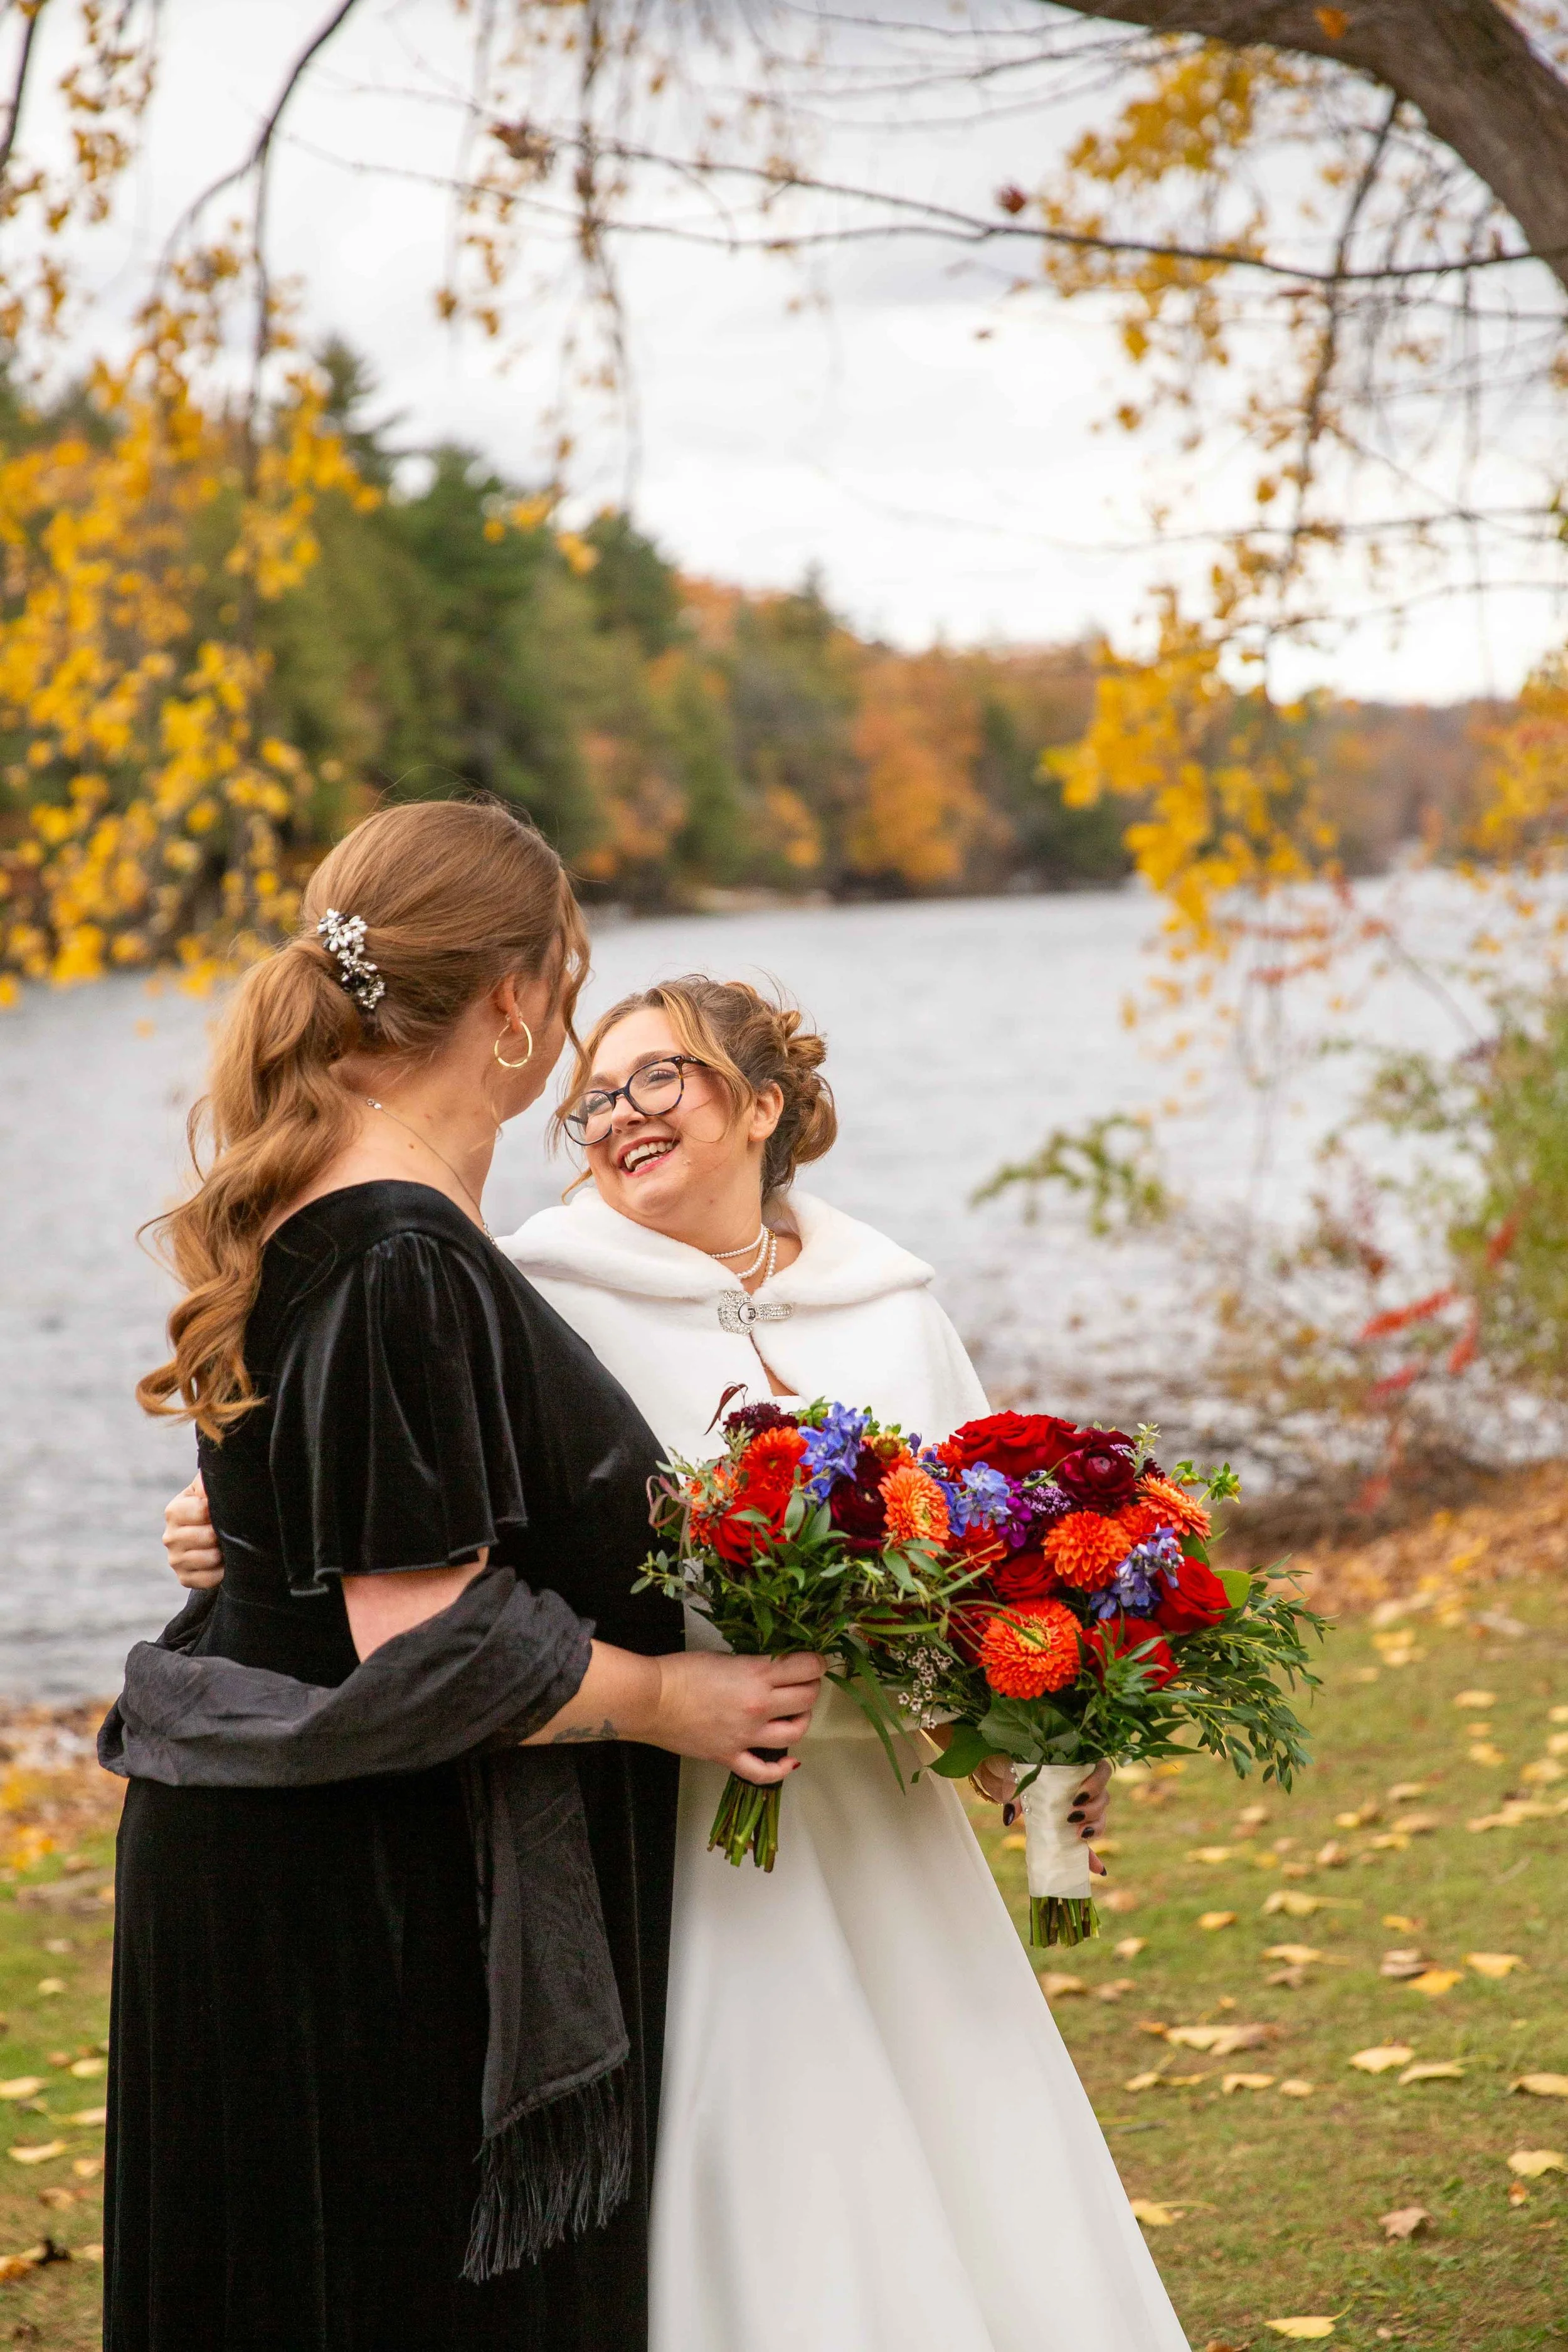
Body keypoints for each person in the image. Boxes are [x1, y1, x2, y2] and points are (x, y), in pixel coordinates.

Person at [167, 968, 1190, 2352]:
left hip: (876, 1820)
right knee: (746, 2171)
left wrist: (1032, 1740)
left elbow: (972, 1575)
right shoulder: (533, 1292)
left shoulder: (893, 1306)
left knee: (962, 2141)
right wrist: (223, 1531)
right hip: (664, 1820)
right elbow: (385, 1493)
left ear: (764, 1103)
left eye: (661, 1078)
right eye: (592, 1094)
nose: (615, 1115)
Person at [117, 807, 824, 2352]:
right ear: (511, 1004)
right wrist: (668, 1698)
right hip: (365, 1917)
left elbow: (316, 1531)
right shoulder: (394, 1251)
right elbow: (426, 1642)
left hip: (306, 1872)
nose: (569, 1034)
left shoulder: (359, 1221)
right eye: (565, 990)